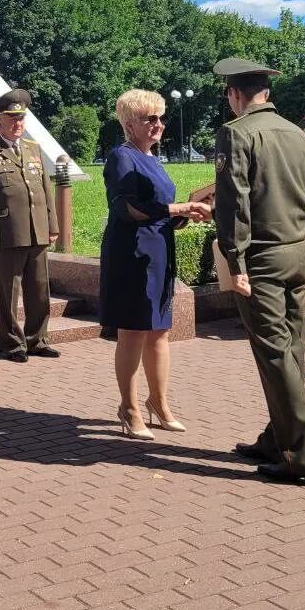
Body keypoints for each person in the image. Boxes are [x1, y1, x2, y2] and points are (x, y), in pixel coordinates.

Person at [212, 57, 305, 485]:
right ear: (266, 93)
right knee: (292, 349)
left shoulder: (236, 132)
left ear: (235, 95)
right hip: (298, 251)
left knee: (275, 354)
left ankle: (303, 455)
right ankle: (276, 436)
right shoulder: (298, 134)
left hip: (260, 257)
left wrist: (234, 259)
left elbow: (234, 201)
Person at [99, 89, 210, 440]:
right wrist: (177, 209)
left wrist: (185, 214)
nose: (159, 125)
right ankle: (129, 408)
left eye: (160, 118)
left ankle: (159, 404)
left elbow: (159, 212)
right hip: (130, 255)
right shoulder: (121, 157)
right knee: (133, 332)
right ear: (129, 123)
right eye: (151, 119)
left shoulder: (154, 159)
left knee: (160, 332)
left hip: (158, 251)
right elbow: (129, 209)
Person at [0, 89, 60, 362]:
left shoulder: (33, 149)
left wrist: (52, 225)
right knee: (8, 292)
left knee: (40, 289)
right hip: (7, 233)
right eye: (12, 118)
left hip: (37, 230)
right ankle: (12, 345)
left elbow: (46, 189)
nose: (18, 123)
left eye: (21, 118)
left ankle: (38, 339)